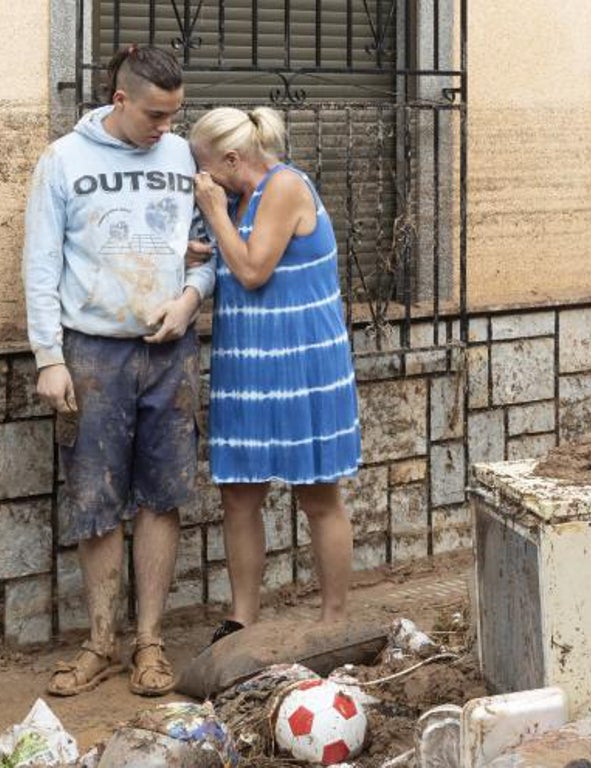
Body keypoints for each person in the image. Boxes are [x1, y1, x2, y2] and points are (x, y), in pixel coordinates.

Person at [22, 44, 215, 697]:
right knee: (95, 500)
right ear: (121, 98)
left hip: (170, 353)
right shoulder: (63, 161)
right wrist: (49, 357)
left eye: (175, 114)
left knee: (163, 496)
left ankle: (150, 643)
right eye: (156, 114)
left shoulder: (183, 156)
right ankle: (100, 641)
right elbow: (40, 264)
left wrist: (189, 300)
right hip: (93, 352)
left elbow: (207, 250)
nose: (166, 126)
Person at [188, 107, 360, 643]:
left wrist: (215, 217)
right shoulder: (238, 200)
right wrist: (205, 244)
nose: (202, 176)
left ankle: (334, 620)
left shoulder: (285, 186)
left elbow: (253, 270)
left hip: (302, 362)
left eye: (206, 164)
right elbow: (237, 259)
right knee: (239, 494)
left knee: (317, 494)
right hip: (247, 365)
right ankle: (243, 618)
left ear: (234, 159)